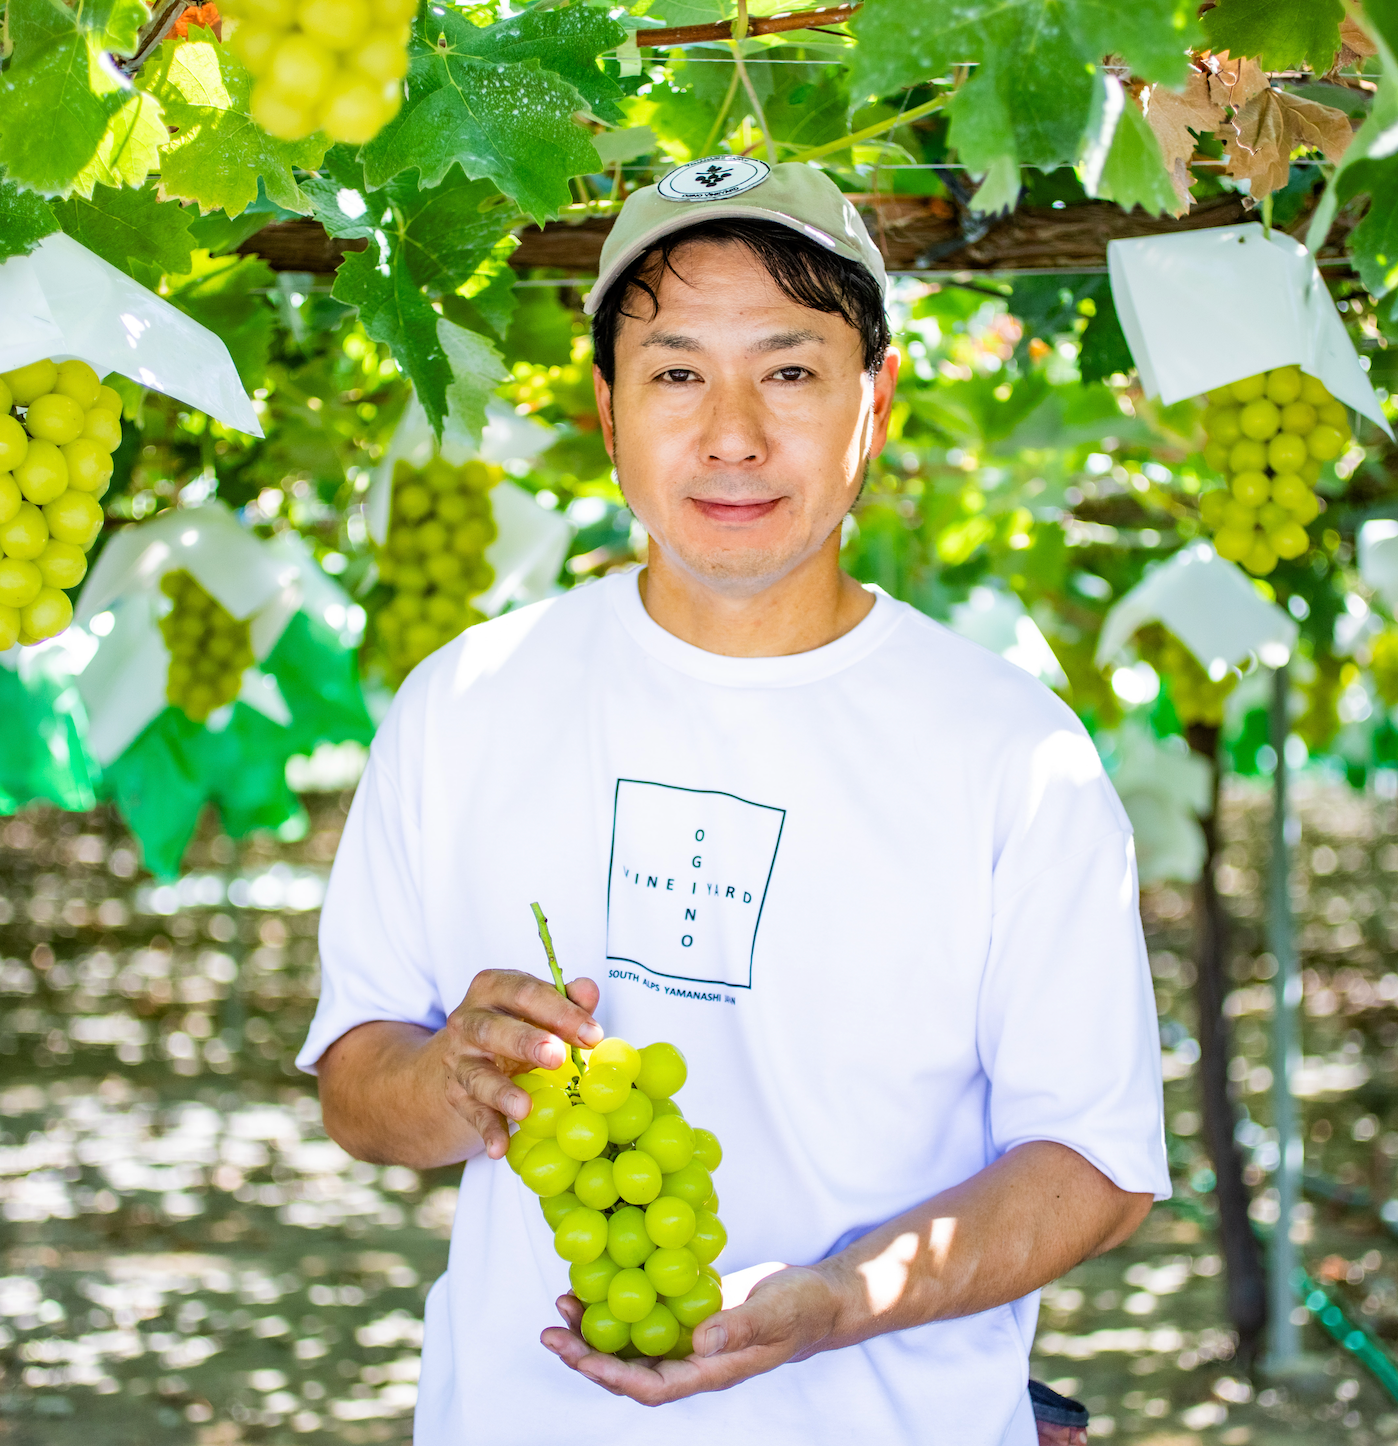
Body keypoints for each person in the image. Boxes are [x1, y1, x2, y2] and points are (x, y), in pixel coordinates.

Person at [301, 157, 1170, 1446]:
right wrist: (445, 1082)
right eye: (675, 372)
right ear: (606, 409)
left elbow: (1096, 1164)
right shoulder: (467, 699)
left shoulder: (1011, 751)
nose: (732, 433)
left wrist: (847, 1299)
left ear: (876, 399)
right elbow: (357, 1080)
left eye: (791, 369)